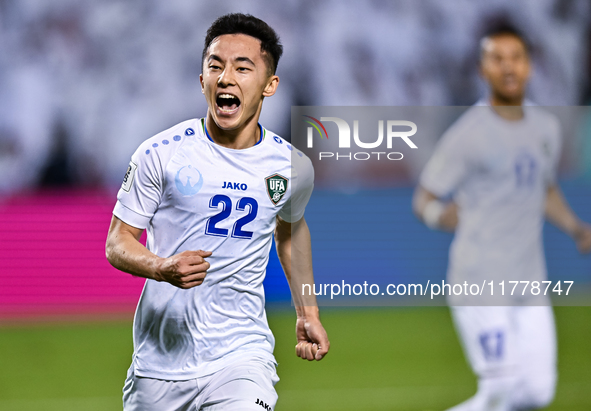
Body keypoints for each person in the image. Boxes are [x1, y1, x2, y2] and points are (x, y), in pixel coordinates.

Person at [105, 13, 329, 411]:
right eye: (215, 65)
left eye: (243, 68)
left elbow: (290, 232)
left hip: (241, 357)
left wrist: (307, 311)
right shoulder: (161, 153)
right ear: (202, 79)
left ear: (269, 85)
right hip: (159, 365)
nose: (226, 77)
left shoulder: (292, 167)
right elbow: (117, 242)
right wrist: (161, 267)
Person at [413, 23, 591, 411]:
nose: (508, 67)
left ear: (529, 65)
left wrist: (577, 227)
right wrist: (442, 215)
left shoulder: (545, 128)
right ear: (483, 69)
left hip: (530, 280)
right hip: (479, 280)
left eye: (516, 58)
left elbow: (543, 189)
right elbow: (423, 198)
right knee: (502, 390)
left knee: (537, 393)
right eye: (498, 59)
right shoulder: (469, 135)